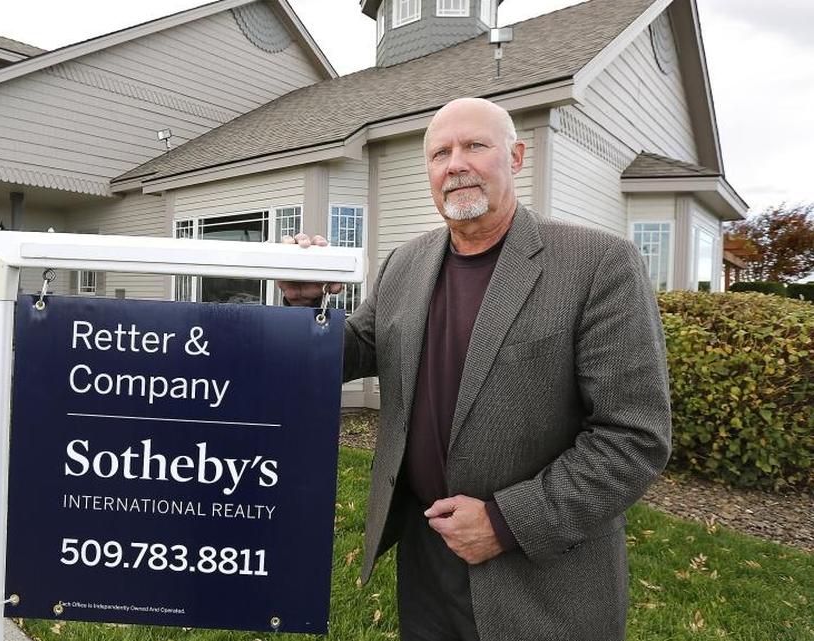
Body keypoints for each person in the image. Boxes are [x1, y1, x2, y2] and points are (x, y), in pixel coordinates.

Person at [280, 98, 671, 641]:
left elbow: (634, 436)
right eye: (440, 153)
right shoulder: (405, 263)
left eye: (474, 146)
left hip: (541, 577)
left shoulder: (597, 264)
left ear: (515, 156)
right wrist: (305, 306)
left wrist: (507, 522)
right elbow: (350, 353)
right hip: (427, 555)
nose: (455, 163)